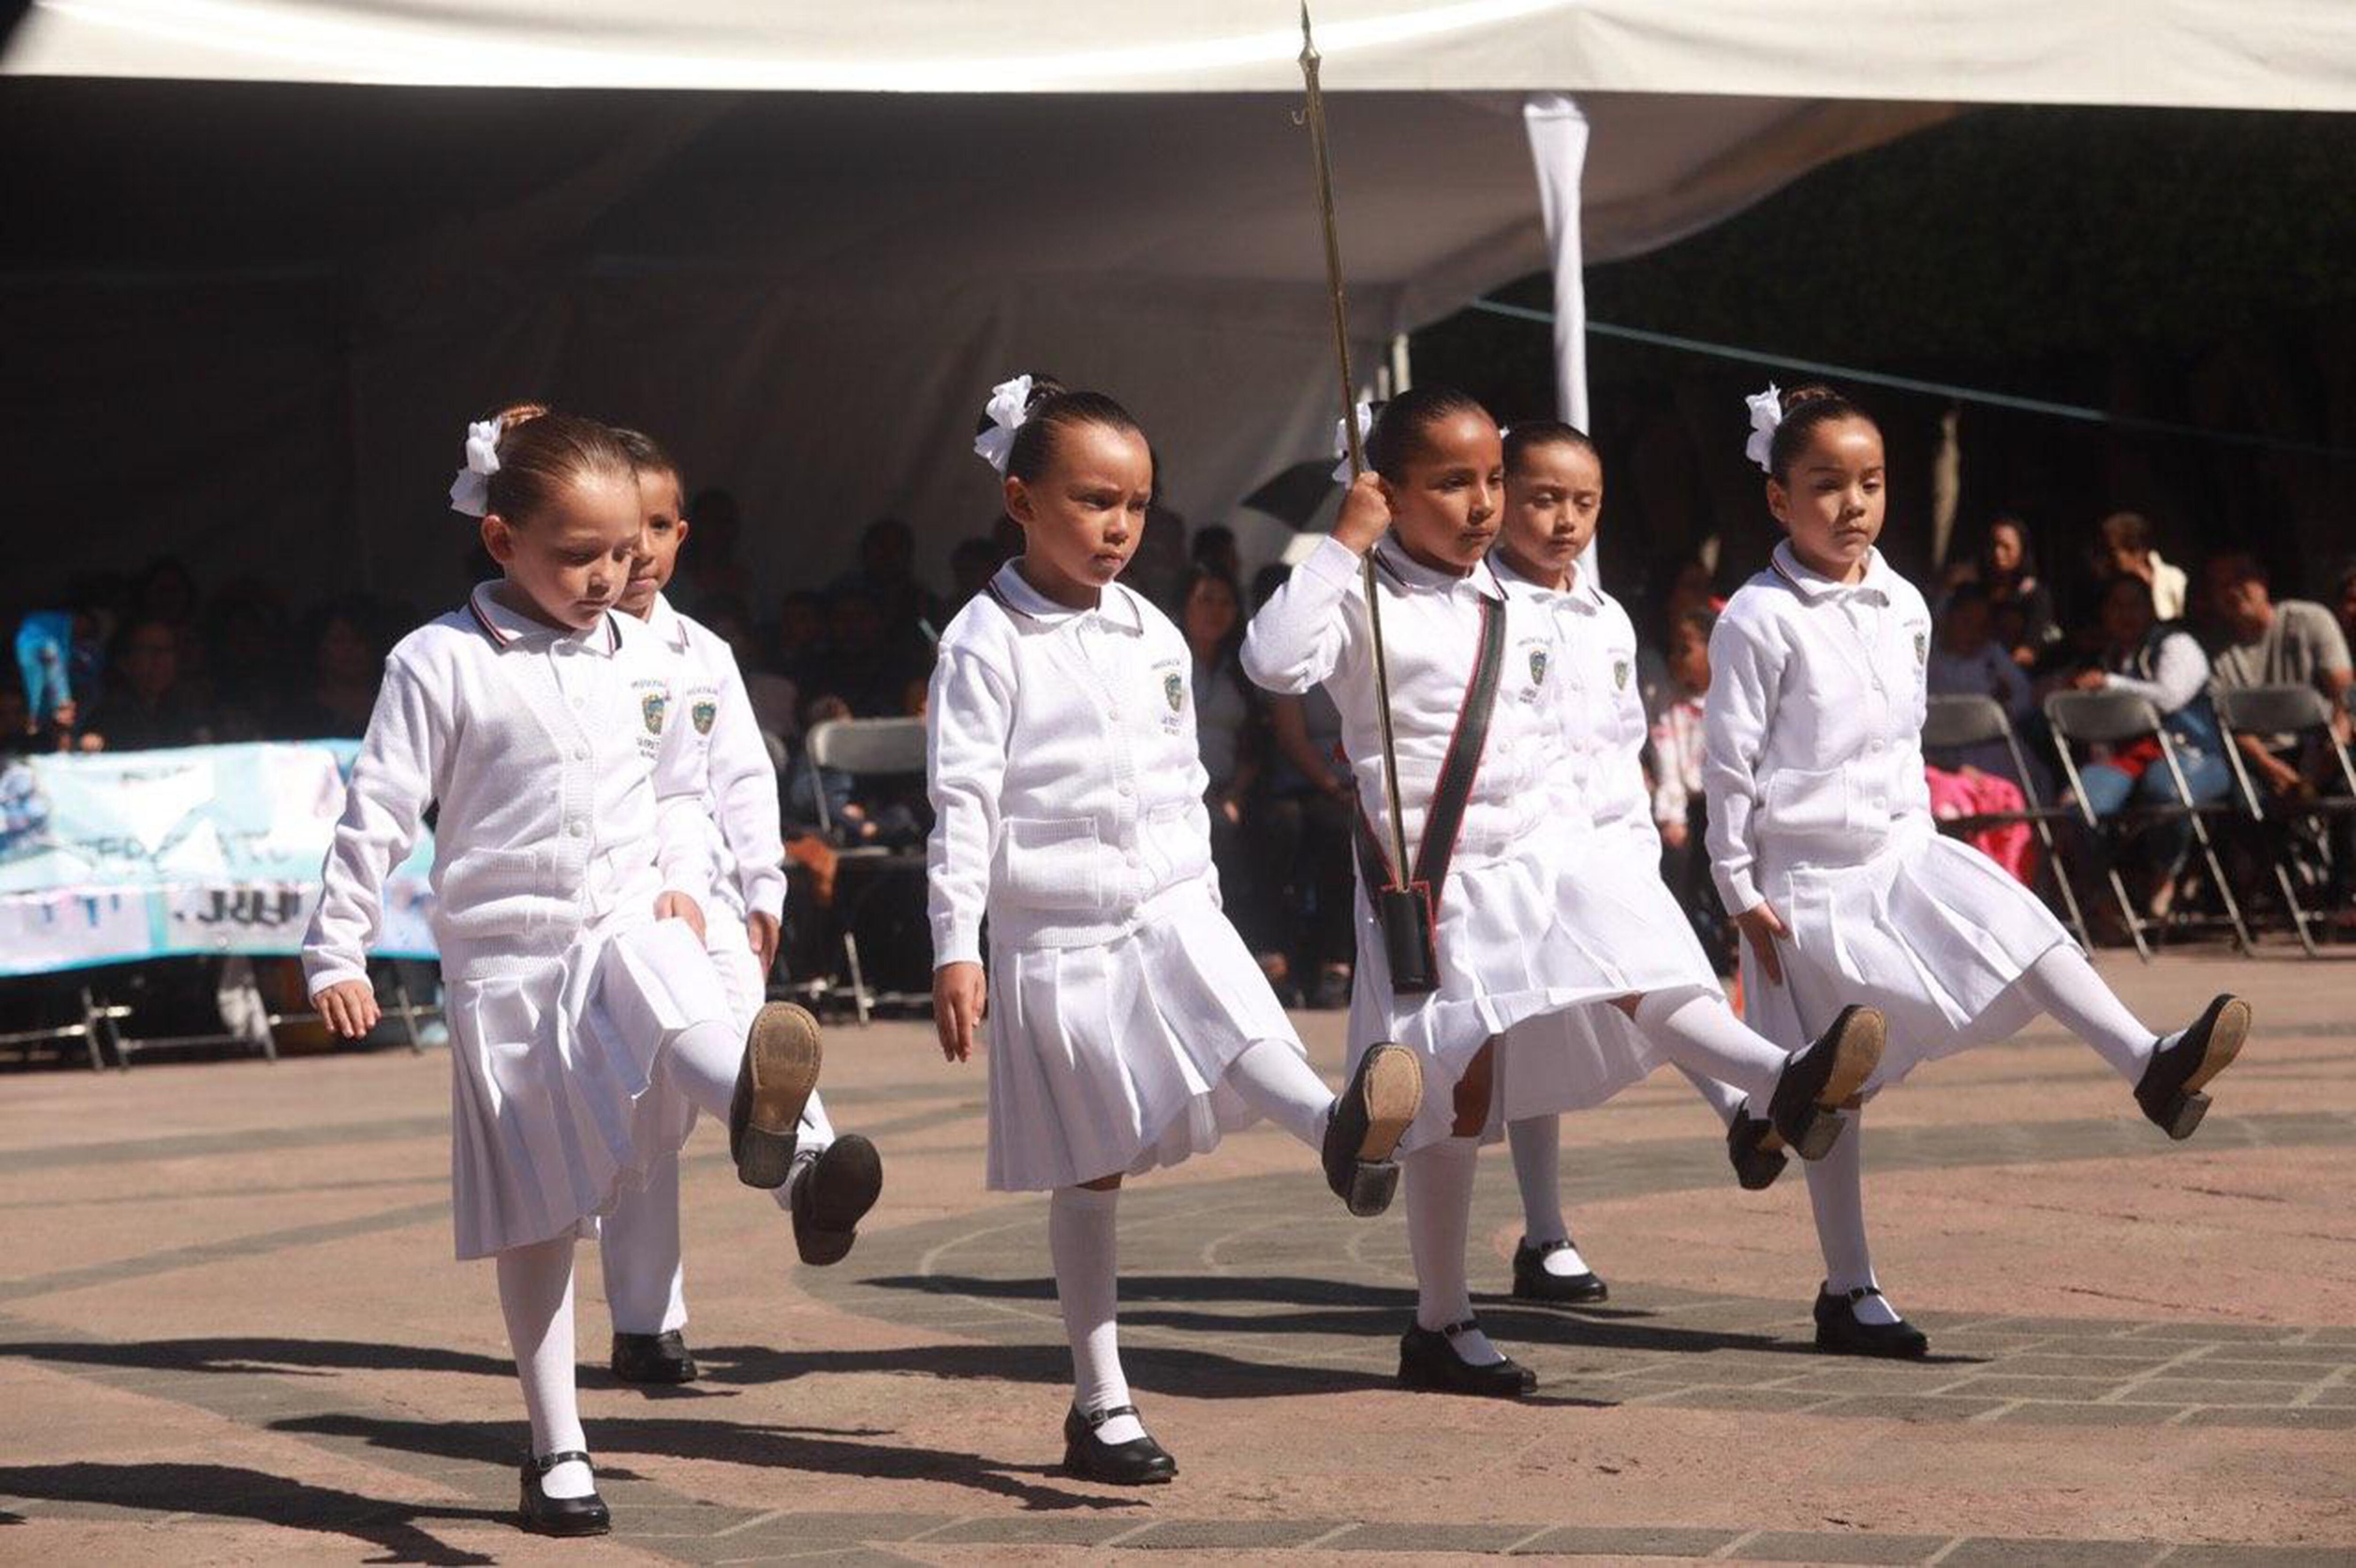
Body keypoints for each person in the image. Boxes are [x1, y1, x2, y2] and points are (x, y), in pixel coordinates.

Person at [1245, 387, 1886, 1399]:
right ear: (1387, 490)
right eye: (1451, 483)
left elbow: (1557, 737)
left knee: (1643, 959)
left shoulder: (1515, 596)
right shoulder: (1361, 595)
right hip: (1439, 881)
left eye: (1492, 479)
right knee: (1454, 1096)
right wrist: (1342, 543)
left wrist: (1614, 848)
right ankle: (1440, 1320)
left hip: (1546, 851)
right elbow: (1271, 663)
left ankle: (1780, 1081)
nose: (1482, 504)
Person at [302, 406, 834, 1537]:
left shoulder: (653, 653)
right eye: (577, 553)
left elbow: (685, 780)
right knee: (538, 1217)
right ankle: (555, 1449)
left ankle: (759, 1107)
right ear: (502, 542)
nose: (607, 575)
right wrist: (334, 947)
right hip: (506, 961)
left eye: (623, 553)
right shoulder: (436, 660)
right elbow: (379, 814)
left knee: (672, 985)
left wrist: (700, 880)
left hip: (622, 916)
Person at [928, 375, 1425, 1484]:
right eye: (1094, 500)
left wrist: (1197, 896)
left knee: (1238, 1014)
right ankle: (1099, 1398)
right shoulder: (983, 641)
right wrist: (956, 942)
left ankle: (1337, 1130)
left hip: (1168, 901)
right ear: (1020, 498)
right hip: (1057, 931)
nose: (1120, 525)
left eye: (1138, 503)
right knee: (1089, 1166)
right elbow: (961, 803)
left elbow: (1181, 777)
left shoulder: (1151, 625)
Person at [1706, 384, 2251, 1362]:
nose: (1852, 503)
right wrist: (1736, 884)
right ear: (1777, 499)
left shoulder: (1906, 601)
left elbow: (1899, 734)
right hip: (1806, 879)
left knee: (2028, 925)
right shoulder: (1756, 617)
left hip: (1903, 845)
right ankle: (1843, 1276)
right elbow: (1729, 762)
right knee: (1838, 1088)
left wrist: (1919, 832)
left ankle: (2149, 1062)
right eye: (1825, 485)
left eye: (1870, 482)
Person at [602, 427, 883, 1387]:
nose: (635, 548)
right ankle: (647, 1319)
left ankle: (806, 1175)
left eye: (654, 526)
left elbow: (742, 780)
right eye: (615, 526)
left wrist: (763, 886)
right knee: (648, 1110)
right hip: (613, 901)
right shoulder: (569, 644)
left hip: (708, 893)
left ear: (681, 535)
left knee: (739, 1038)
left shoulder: (703, 651)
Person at [1483, 421, 1774, 1311]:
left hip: (1609, 837)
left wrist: (1639, 823)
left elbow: (1619, 734)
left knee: (1659, 969)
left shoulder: (1606, 612)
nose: (1565, 521)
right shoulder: (1478, 603)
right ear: (1499, 499)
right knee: (1559, 1022)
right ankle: (1753, 1095)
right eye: (1543, 499)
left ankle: (1743, 1106)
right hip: (1525, 850)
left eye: (1584, 503)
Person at [2065, 573, 2235, 917]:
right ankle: (2105, 901)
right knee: (2078, 806)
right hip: (2126, 758)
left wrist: (2110, 684)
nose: (2125, 614)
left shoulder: (2176, 644)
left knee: (2167, 792)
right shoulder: (2105, 656)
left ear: (2150, 609)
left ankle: (2166, 875)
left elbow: (2169, 698)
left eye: (2134, 605)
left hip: (2188, 753)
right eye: (2116, 606)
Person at [81, 617, 210, 751]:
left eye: (167, 650)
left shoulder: (189, 704)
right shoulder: (107, 712)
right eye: (149, 651)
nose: (160, 660)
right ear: (124, 662)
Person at [1973, 515, 2062, 670]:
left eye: (2006, 547)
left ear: (2022, 550)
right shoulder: (1976, 593)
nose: (1998, 553)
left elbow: (2029, 651)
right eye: (1994, 545)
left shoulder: (2036, 596)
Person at [2091, 510, 2190, 623]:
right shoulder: (2106, 586)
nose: (2107, 560)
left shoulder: (2174, 579)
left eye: (2112, 552)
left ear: (2137, 552)